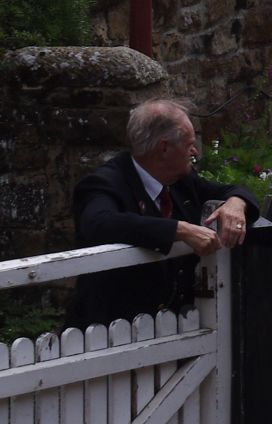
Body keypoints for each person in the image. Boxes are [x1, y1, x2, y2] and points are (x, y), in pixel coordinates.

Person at [68, 99, 258, 329]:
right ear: (164, 148)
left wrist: (236, 204)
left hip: (173, 327)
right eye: (189, 144)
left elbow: (230, 191)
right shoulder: (105, 183)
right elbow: (98, 224)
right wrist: (180, 230)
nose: (195, 151)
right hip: (113, 330)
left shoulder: (182, 181)